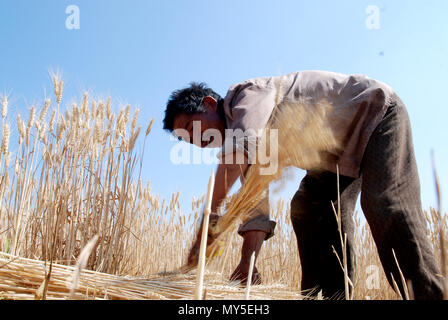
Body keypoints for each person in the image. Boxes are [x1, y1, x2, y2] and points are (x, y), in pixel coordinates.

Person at [162, 70, 444, 299]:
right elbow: (254, 199)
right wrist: (249, 263)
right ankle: (329, 297)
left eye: (192, 128)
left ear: (210, 104)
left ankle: (428, 293)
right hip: (336, 158)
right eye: (190, 141)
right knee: (308, 210)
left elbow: (238, 151)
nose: (198, 141)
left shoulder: (246, 95)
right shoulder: (252, 145)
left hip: (376, 114)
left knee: (382, 202)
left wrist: (209, 220)